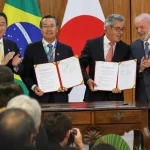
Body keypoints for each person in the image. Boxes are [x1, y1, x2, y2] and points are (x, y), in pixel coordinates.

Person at [22, 15, 74, 103]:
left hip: (60, 99)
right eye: (45, 26)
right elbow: (25, 74)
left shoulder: (66, 50)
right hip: (38, 98)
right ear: (41, 30)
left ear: (57, 29)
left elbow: (72, 73)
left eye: (51, 26)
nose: (48, 29)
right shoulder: (31, 49)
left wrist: (68, 86)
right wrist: (34, 87)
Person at [79, 14, 130, 102]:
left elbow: (127, 71)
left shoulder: (125, 48)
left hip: (115, 98)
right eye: (117, 29)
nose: (120, 32)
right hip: (93, 97)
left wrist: (121, 84)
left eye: (122, 29)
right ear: (107, 28)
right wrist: (87, 79)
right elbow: (80, 66)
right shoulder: (91, 44)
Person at [130, 13, 150, 149]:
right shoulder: (134, 46)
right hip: (142, 99)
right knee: (145, 134)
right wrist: (140, 68)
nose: (139, 31)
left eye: (142, 27)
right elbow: (130, 71)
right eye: (137, 28)